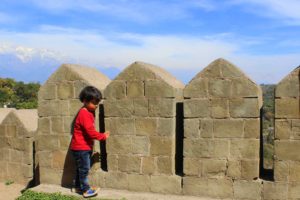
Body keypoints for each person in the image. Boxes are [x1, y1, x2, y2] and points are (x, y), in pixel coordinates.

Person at [70, 86, 110, 198]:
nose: (96, 105)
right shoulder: (84, 114)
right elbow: (90, 132)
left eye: (98, 103)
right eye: (94, 103)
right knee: (84, 169)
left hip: (80, 147)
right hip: (81, 148)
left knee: (80, 168)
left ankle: (77, 186)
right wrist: (103, 136)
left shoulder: (87, 111)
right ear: (84, 101)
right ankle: (86, 190)